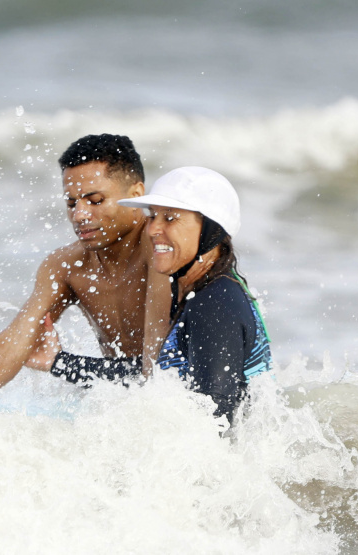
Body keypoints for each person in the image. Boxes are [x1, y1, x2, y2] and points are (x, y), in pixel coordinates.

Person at [29, 167, 272, 423]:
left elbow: (215, 422)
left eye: (170, 218)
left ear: (211, 230)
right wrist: (58, 362)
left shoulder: (214, 305)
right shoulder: (205, 291)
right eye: (153, 216)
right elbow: (156, 379)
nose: (152, 229)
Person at [0, 134, 170, 397]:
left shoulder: (162, 246)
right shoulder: (67, 265)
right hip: (127, 396)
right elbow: (15, 341)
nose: (79, 215)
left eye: (95, 200)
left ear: (135, 194)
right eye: (71, 203)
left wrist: (63, 364)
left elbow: (160, 373)